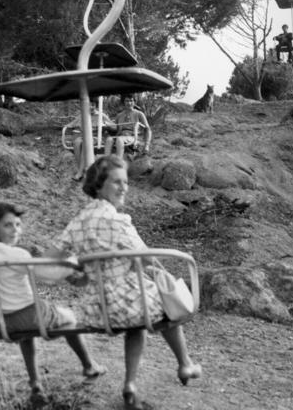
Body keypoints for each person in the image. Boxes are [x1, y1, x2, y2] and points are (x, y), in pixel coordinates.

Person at [50, 155, 201, 410]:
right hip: (127, 302)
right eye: (116, 182)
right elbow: (147, 259)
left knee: (140, 315)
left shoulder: (78, 222)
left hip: (98, 308)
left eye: (125, 182)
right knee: (163, 301)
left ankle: (132, 385)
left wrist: (75, 269)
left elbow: (51, 259)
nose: (124, 187)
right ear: (98, 185)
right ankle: (183, 364)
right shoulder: (120, 222)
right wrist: (140, 264)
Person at [0, 202, 105, 398]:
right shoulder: (18, 255)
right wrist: (73, 263)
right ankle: (89, 365)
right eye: (7, 225)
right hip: (32, 315)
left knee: (27, 335)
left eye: (17, 224)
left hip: (4, 323)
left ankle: (35, 382)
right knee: (70, 318)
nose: (15, 230)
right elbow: (48, 275)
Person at [69, 105, 117, 181]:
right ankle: (81, 169)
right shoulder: (83, 115)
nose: (91, 107)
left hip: (97, 137)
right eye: (89, 105)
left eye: (93, 105)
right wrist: (70, 126)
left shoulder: (101, 115)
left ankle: (81, 172)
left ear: (96, 106)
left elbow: (114, 127)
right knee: (77, 142)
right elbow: (71, 124)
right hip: (85, 136)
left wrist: (106, 125)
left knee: (86, 141)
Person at [104, 95, 151, 159]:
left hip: (133, 137)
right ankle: (106, 162)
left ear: (134, 102)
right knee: (109, 140)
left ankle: (119, 163)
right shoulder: (119, 115)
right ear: (124, 102)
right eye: (127, 101)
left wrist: (147, 145)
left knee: (119, 140)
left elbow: (148, 129)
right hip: (121, 136)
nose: (129, 103)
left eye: (131, 101)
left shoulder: (139, 114)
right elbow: (116, 128)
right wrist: (107, 125)